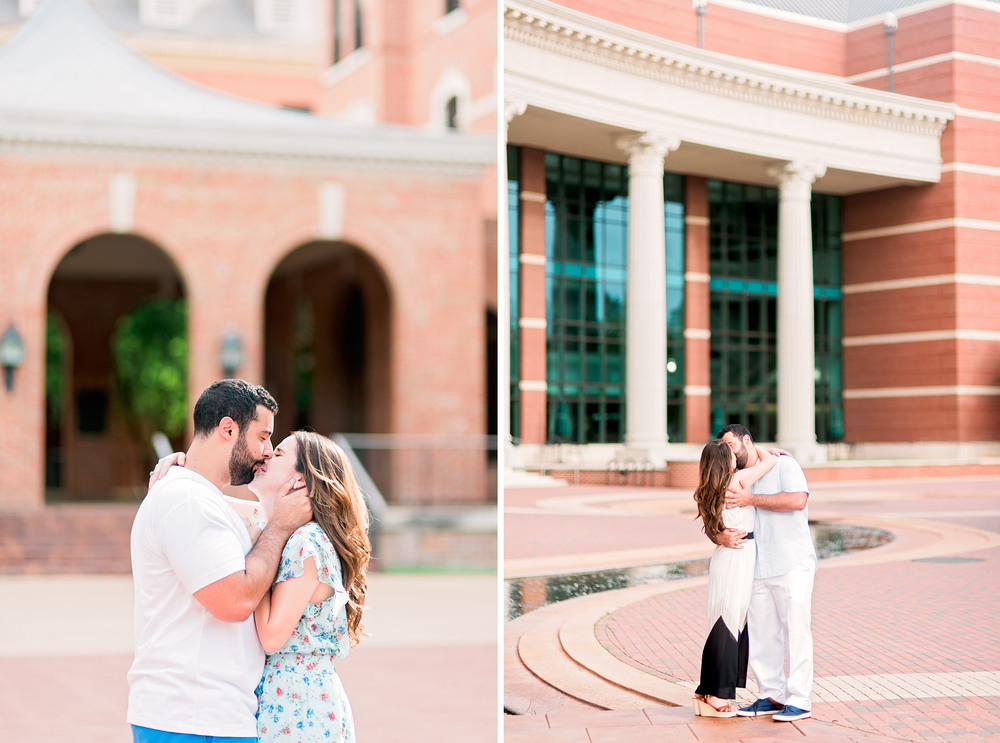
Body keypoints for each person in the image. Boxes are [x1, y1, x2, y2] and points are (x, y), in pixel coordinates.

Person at [128, 379, 313, 743]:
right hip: (190, 717)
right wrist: (278, 528)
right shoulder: (189, 502)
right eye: (262, 437)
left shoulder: (199, 498)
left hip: (208, 714)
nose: (267, 450)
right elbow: (234, 601)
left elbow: (264, 513)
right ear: (228, 428)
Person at [249, 430, 371, 743]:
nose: (265, 456)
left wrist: (253, 562)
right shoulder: (296, 537)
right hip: (297, 700)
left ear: (301, 480)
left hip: (297, 707)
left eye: (278, 454)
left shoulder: (305, 544)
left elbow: (272, 636)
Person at [716, 424, 816, 723]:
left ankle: (799, 699)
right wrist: (719, 535)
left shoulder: (784, 463)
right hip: (756, 565)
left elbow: (798, 500)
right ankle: (770, 694)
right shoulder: (735, 477)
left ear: (748, 440)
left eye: (732, 445)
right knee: (761, 634)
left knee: (796, 631)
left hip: (792, 561)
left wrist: (753, 500)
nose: (729, 452)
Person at [691, 439, 775, 717]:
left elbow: (713, 528)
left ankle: (706, 690)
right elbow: (769, 463)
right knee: (728, 622)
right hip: (737, 555)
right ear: (723, 461)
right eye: (730, 453)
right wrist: (765, 450)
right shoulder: (736, 481)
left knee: (724, 621)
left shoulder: (710, 489)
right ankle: (716, 695)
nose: (736, 456)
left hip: (730, 556)